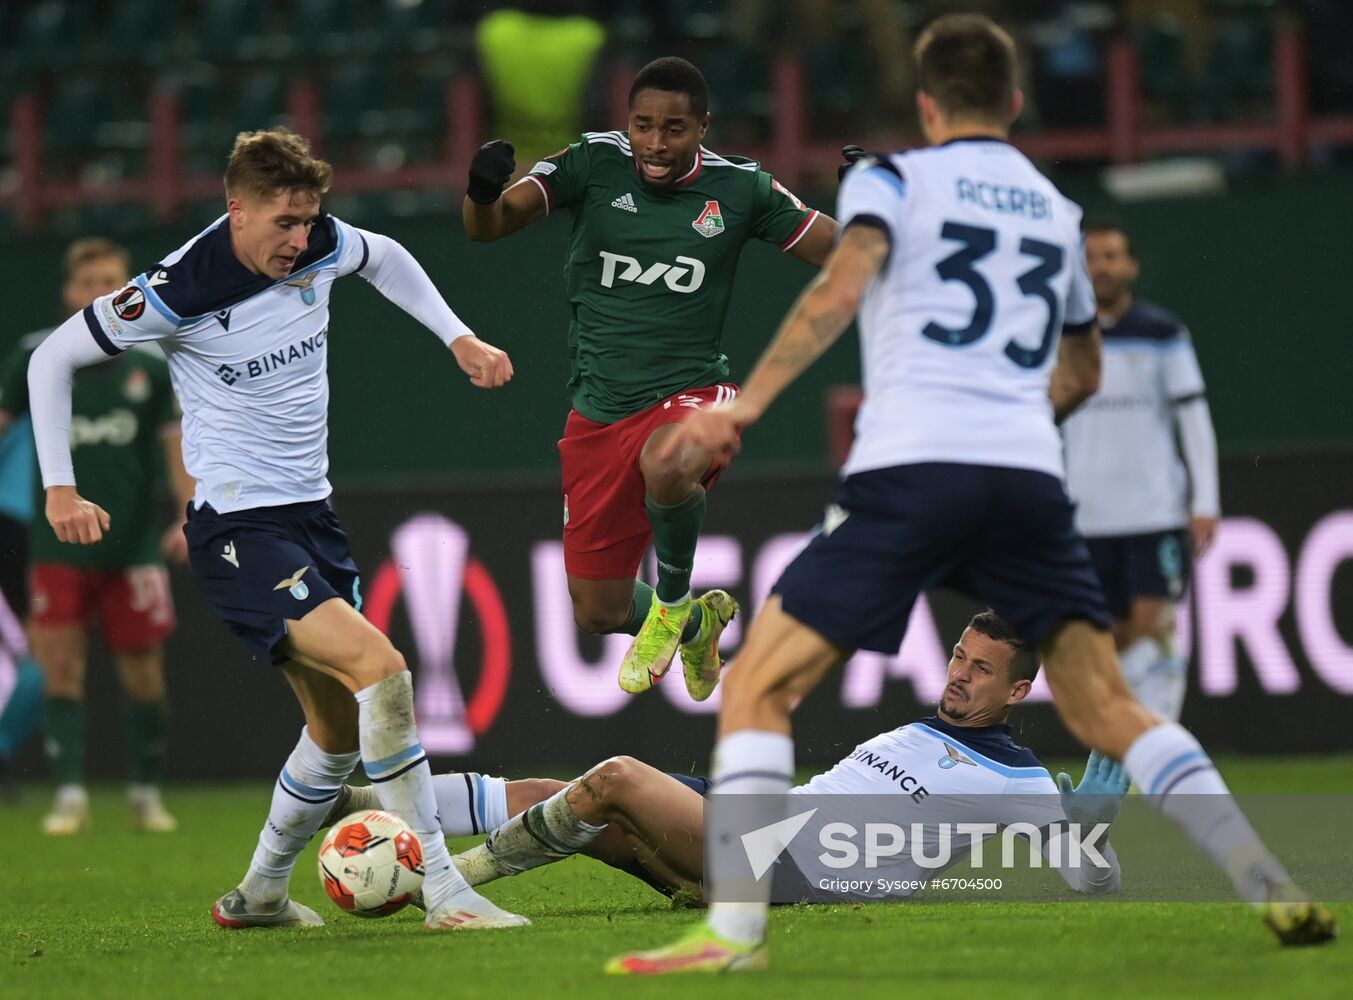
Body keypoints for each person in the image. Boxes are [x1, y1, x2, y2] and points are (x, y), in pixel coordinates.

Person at [607, 14, 1334, 972]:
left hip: (911, 466)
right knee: (1112, 708)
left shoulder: (890, 177)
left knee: (758, 683)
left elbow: (834, 294)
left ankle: (735, 935)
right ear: (1016, 103)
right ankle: (1264, 881)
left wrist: (740, 411)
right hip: (1025, 474)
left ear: (923, 103)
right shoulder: (1054, 209)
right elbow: (1079, 373)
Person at [26, 128, 526, 931]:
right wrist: (61, 490)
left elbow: (387, 256)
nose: (300, 239)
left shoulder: (324, 242)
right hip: (235, 526)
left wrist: (457, 336)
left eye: (308, 219)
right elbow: (50, 360)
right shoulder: (178, 287)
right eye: (283, 222)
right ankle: (443, 888)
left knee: (333, 734)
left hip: (311, 518)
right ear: (237, 210)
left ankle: (259, 892)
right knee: (384, 671)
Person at [462, 56, 839, 699]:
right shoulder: (592, 162)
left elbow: (840, 252)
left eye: (674, 129)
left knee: (667, 464)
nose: (656, 144)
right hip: (599, 413)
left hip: (693, 393)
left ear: (702, 129)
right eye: (643, 126)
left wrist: (870, 215)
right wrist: (481, 190)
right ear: (627, 123)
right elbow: (489, 228)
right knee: (599, 610)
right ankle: (696, 625)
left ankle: (671, 602)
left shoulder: (741, 189)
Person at [331, 611, 1130, 904]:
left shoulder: (1020, 780)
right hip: (764, 819)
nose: (958, 673)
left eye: (981, 668)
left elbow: (1085, 879)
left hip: (791, 865)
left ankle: (450, 881)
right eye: (958, 654)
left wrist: (1092, 832)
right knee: (563, 791)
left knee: (614, 778)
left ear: (1020, 690)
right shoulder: (929, 729)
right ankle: (364, 806)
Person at [0, 237, 193, 833]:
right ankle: (70, 796)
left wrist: (189, 513)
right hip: (55, 543)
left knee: (143, 672)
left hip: (132, 544)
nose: (100, 293)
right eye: (88, 283)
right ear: (68, 294)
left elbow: (174, 445)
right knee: (59, 669)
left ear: (128, 288)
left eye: (111, 281)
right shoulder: (36, 357)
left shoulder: (151, 367)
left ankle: (143, 792)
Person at [1061, 221, 1219, 722]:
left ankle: (1161, 733)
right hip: (1085, 513)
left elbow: (1193, 419)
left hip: (1153, 510)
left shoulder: (1162, 332)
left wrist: (1204, 503)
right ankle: (1129, 737)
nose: (1101, 268)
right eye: (1092, 257)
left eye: (1111, 257)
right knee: (1107, 634)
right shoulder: (1059, 335)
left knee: (1152, 623)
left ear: (1131, 266)